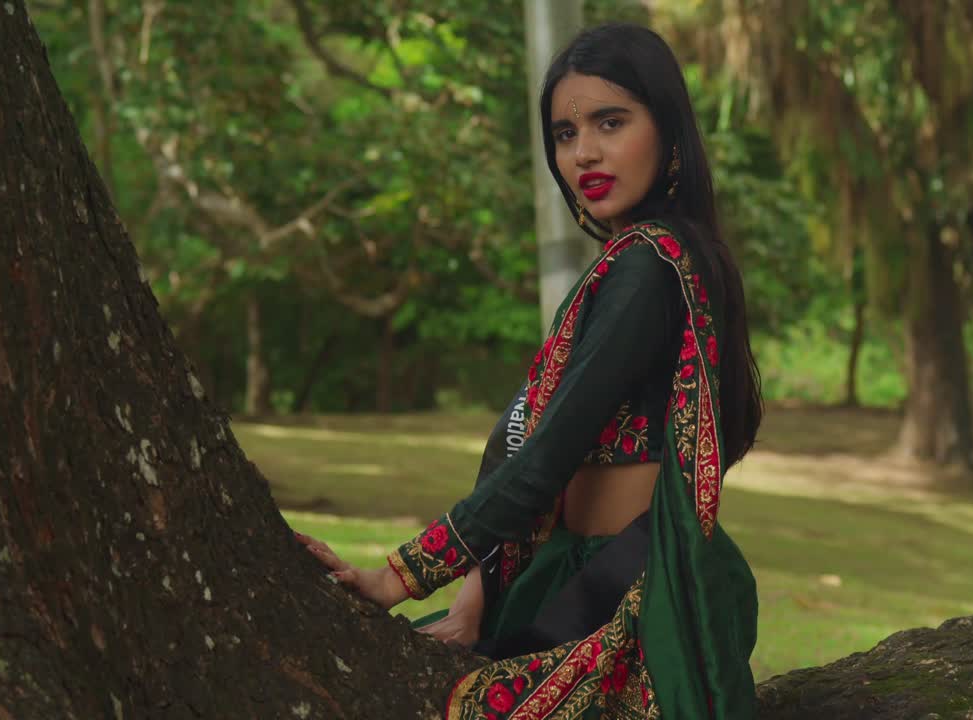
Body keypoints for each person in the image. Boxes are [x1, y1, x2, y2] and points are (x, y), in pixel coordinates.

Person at [297, 22, 763, 719]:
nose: (585, 152)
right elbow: (524, 439)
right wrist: (475, 598)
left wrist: (400, 576)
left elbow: (546, 456)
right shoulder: (645, 260)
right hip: (573, 568)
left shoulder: (650, 265)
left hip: (629, 590)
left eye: (611, 121)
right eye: (565, 133)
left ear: (668, 132)